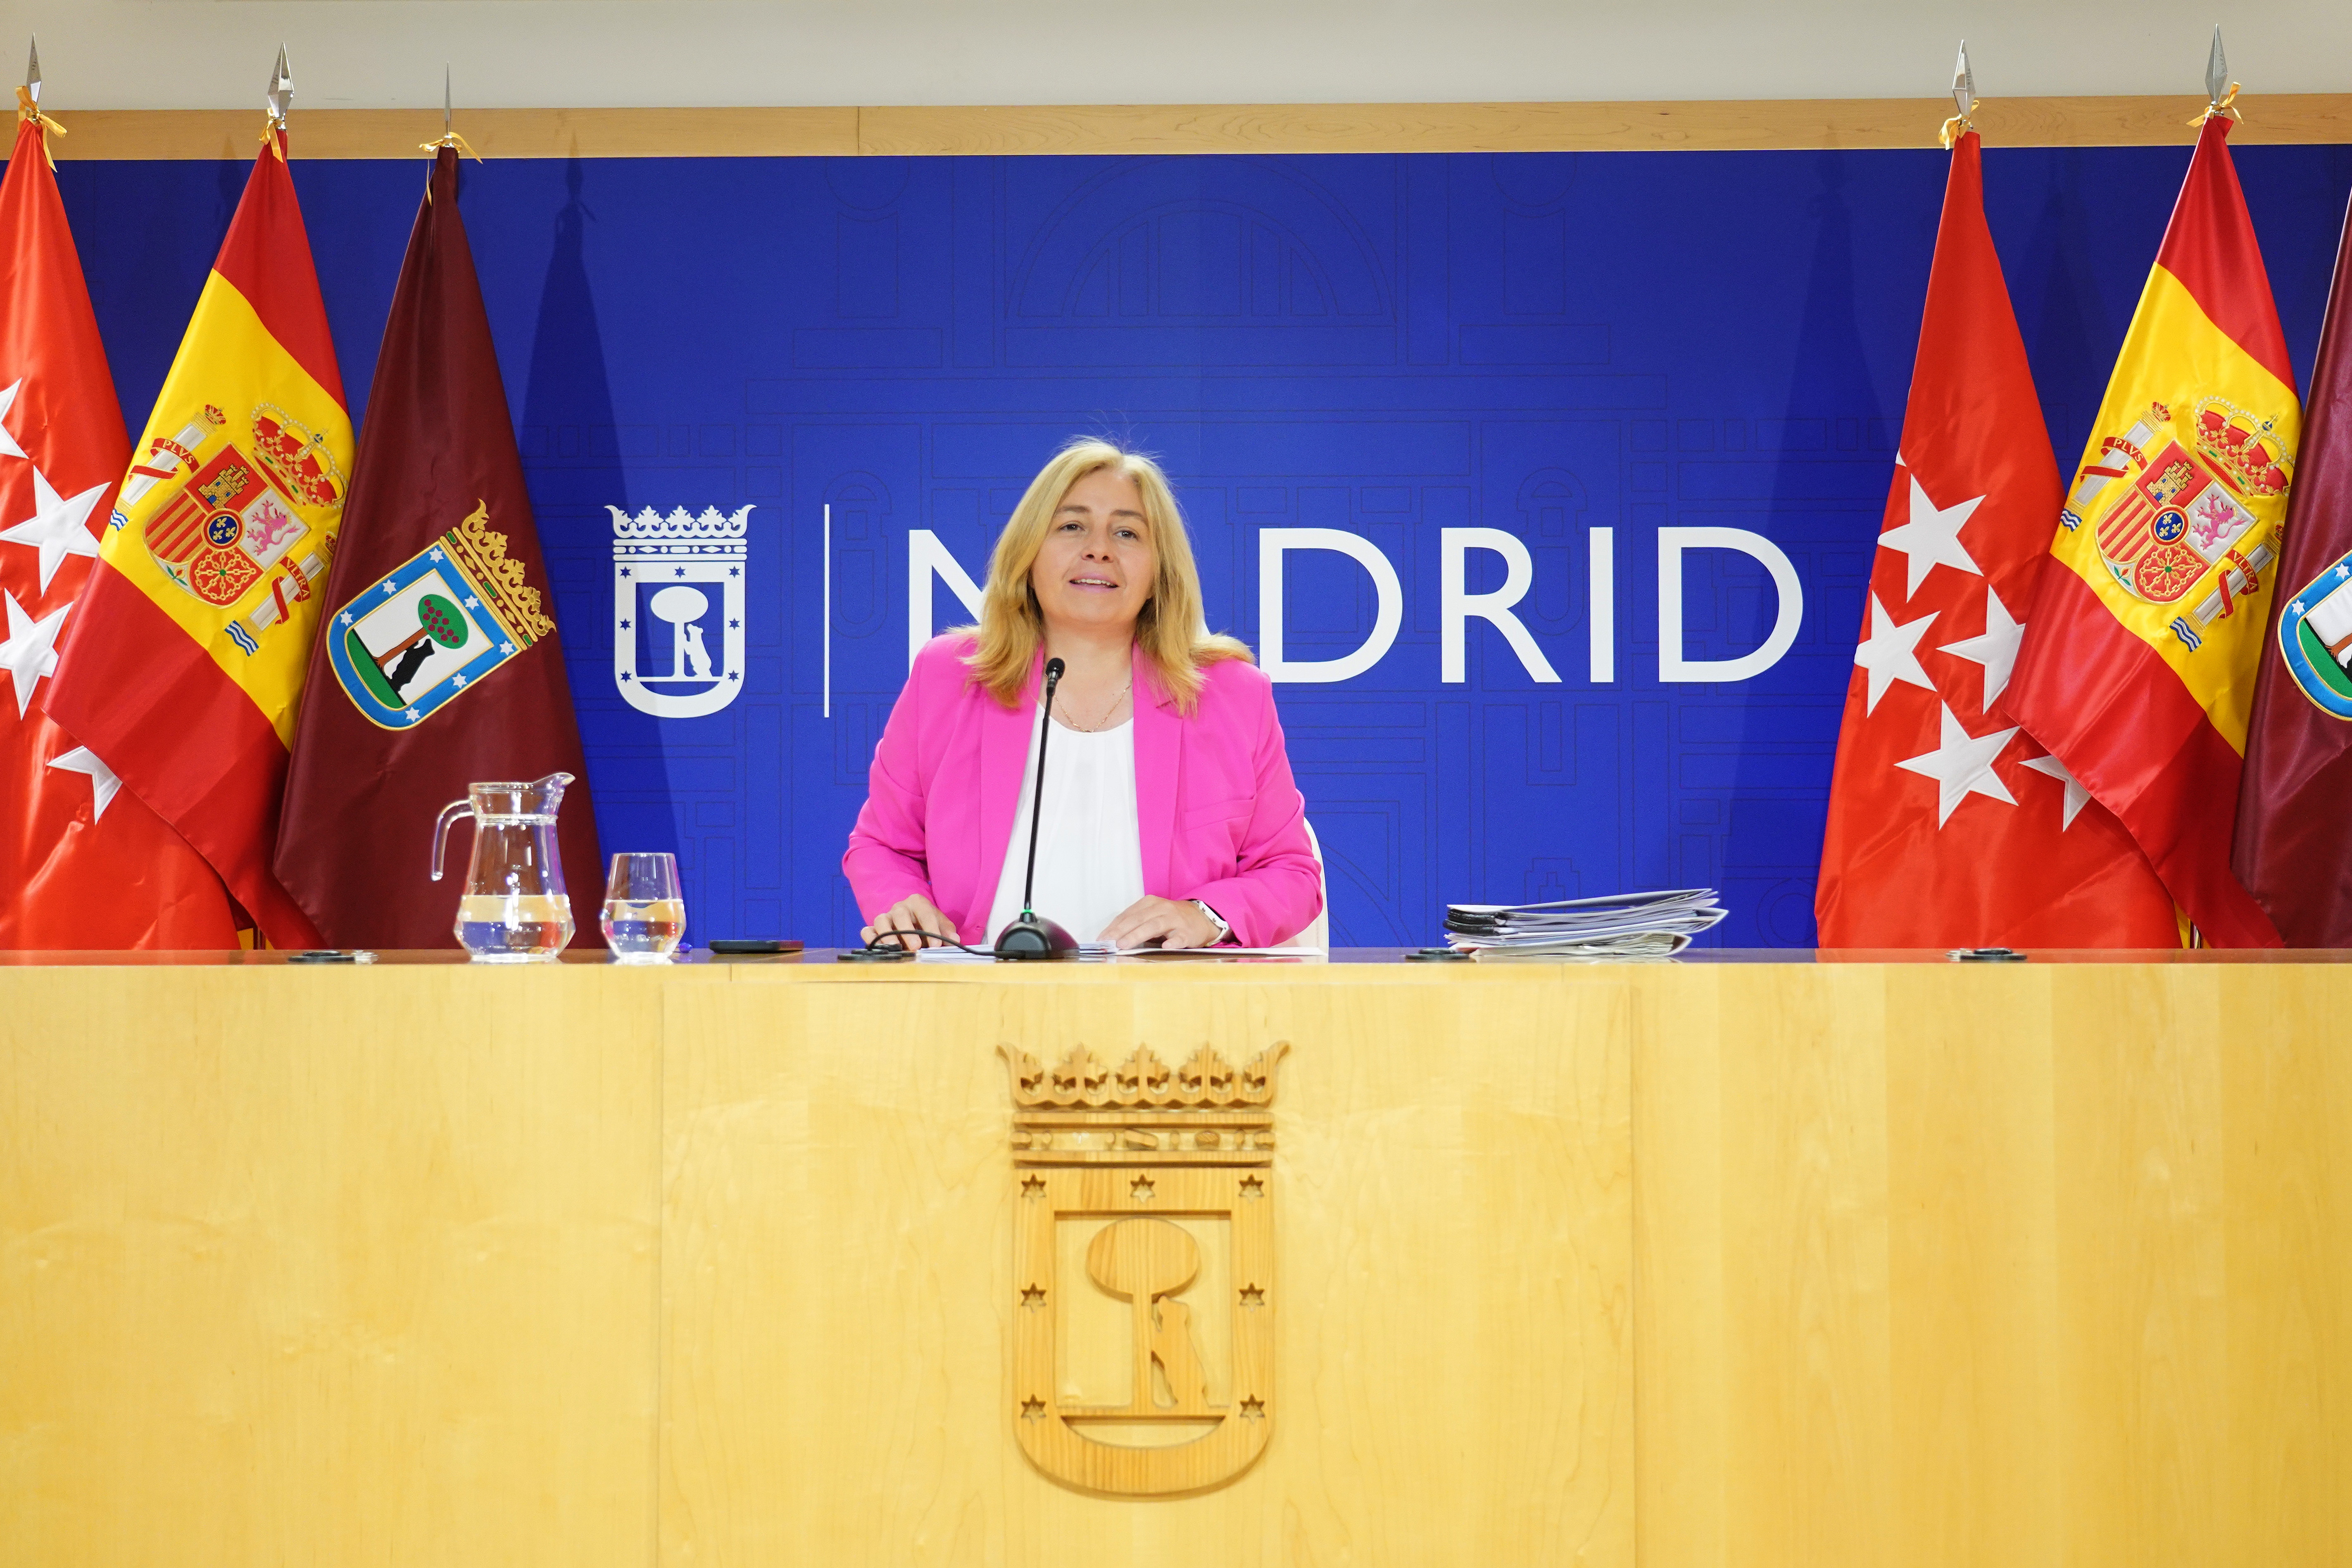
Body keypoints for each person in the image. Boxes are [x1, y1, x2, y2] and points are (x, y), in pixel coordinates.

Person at [844, 438, 1322, 950]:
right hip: (979, 990)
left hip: (1165, 993)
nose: (1099, 549)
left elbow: (1291, 872)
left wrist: (1205, 914)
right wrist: (902, 904)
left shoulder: (1229, 695)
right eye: (1072, 526)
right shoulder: (947, 678)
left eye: (1126, 532)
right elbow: (881, 846)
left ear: (1158, 573)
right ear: (1028, 554)